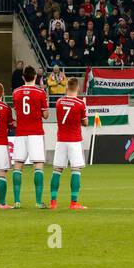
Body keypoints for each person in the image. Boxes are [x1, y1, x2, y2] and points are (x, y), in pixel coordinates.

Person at [11, 65, 49, 208]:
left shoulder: (16, 92)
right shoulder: (40, 92)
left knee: (18, 166)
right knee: (38, 165)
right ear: (35, 77)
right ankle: (38, 202)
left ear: (23, 77)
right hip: (35, 133)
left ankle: (16, 201)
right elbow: (45, 115)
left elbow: (17, 112)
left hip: (21, 133)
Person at [49, 77, 87, 210]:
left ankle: (53, 202)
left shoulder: (59, 102)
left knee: (57, 170)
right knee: (75, 170)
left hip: (61, 140)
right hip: (74, 140)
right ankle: (74, 202)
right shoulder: (80, 104)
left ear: (66, 88)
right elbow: (85, 122)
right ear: (77, 88)